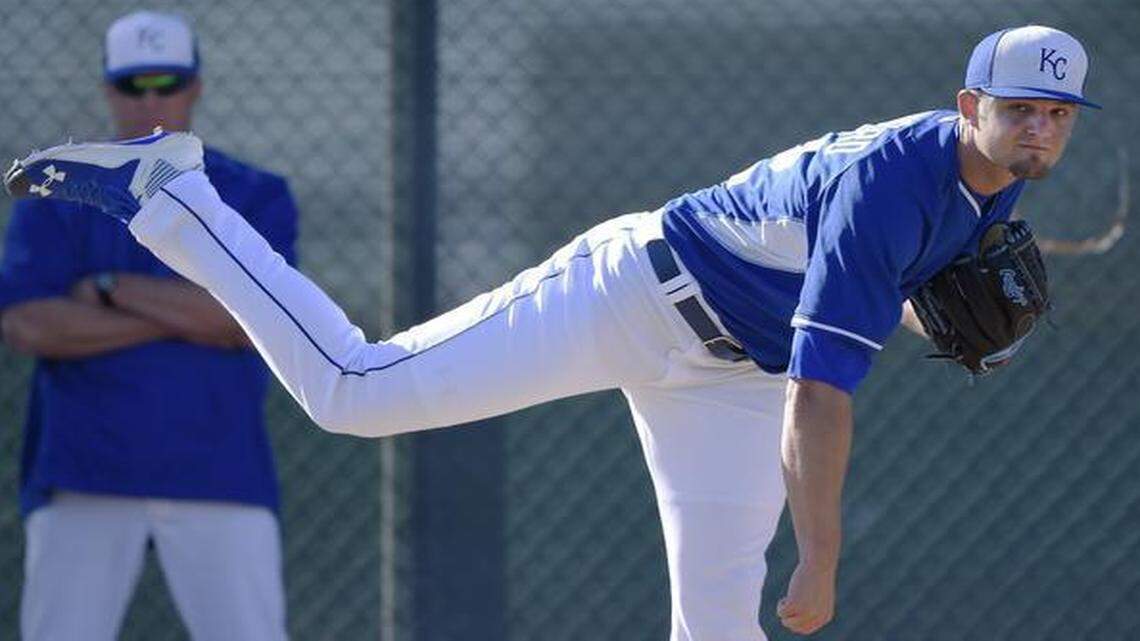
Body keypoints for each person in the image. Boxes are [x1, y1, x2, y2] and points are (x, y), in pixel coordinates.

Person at [4, 24, 1095, 640]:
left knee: (717, 621)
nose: (1039, 126)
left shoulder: (992, 183)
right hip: (636, 294)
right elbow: (823, 391)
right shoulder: (894, 180)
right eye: (1019, 107)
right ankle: (175, 194)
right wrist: (821, 557)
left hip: (732, 370)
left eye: (1057, 113)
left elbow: (851, 295)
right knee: (352, 388)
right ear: (969, 102)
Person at [0, 11, 298, 641]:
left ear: (195, 87)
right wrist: (195, 314)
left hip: (220, 471)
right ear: (110, 91)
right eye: (136, 85)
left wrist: (111, 292)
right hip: (85, 472)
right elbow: (28, 325)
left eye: (168, 82)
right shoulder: (52, 191)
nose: (154, 100)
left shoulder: (256, 192)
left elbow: (261, 321)